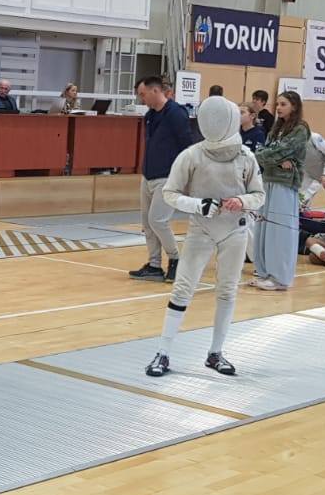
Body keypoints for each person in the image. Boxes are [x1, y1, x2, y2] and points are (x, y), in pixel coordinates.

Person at [144, 97, 264, 378]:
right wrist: (199, 205)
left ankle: (216, 353)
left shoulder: (246, 156)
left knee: (227, 290)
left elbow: (259, 195)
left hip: (235, 230)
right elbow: (170, 193)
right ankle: (163, 353)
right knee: (182, 289)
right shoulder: (192, 155)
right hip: (201, 229)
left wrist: (241, 201)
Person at [130, 76, 197, 282]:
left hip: (168, 177)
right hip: (149, 175)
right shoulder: (150, 115)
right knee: (147, 223)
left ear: (155, 91)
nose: (141, 99)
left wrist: (186, 176)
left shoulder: (176, 113)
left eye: (143, 94)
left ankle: (176, 259)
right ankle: (154, 265)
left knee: (158, 220)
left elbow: (187, 145)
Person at [250, 91, 310, 291]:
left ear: (294, 106)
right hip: (268, 180)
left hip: (285, 183)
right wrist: (274, 160)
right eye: (277, 104)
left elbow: (281, 151)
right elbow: (262, 151)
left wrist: (272, 157)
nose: (278, 108)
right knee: (263, 229)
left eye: (283, 104)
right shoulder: (277, 127)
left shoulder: (300, 129)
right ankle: (265, 272)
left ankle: (280, 277)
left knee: (280, 230)